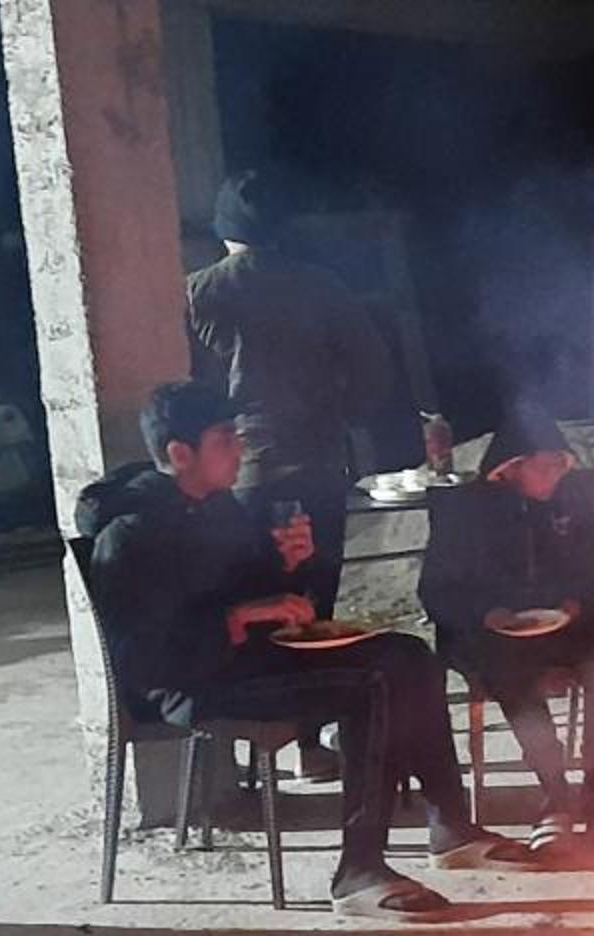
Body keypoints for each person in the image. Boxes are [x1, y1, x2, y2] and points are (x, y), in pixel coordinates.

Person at [79, 382, 534, 918]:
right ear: (181, 454)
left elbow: (264, 598)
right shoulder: (131, 536)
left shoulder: (218, 508)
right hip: (194, 685)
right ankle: (359, 870)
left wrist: (292, 566)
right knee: (372, 685)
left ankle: (451, 828)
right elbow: (146, 660)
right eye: (224, 440)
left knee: (409, 655)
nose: (239, 451)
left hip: (247, 662)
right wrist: (237, 618)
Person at [186, 171, 407, 779]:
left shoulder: (200, 292)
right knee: (312, 603)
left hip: (238, 476)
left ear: (224, 230)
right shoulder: (322, 286)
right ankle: (308, 743)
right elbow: (374, 372)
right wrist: (339, 414)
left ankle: (243, 748)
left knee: (241, 598)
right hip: (317, 465)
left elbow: (184, 387)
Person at [417, 410, 594, 854]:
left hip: (560, 625)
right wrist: (486, 614)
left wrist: (578, 601)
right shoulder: (466, 510)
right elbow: (436, 591)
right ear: (512, 467)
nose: (556, 474)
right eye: (545, 465)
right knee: (506, 665)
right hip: (487, 633)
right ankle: (555, 794)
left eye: (560, 464)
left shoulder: (570, 504)